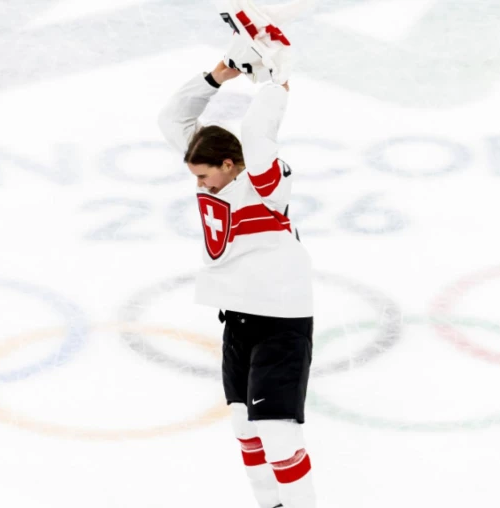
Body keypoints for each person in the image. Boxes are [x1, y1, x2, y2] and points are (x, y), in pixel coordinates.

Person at [157, 35, 317, 508]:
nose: (200, 186)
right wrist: (220, 72)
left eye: (205, 177)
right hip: (238, 318)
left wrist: (275, 81)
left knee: (276, 431)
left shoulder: (265, 185)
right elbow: (173, 118)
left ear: (229, 165)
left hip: (281, 319)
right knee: (245, 428)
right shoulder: (213, 165)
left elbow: (257, 135)